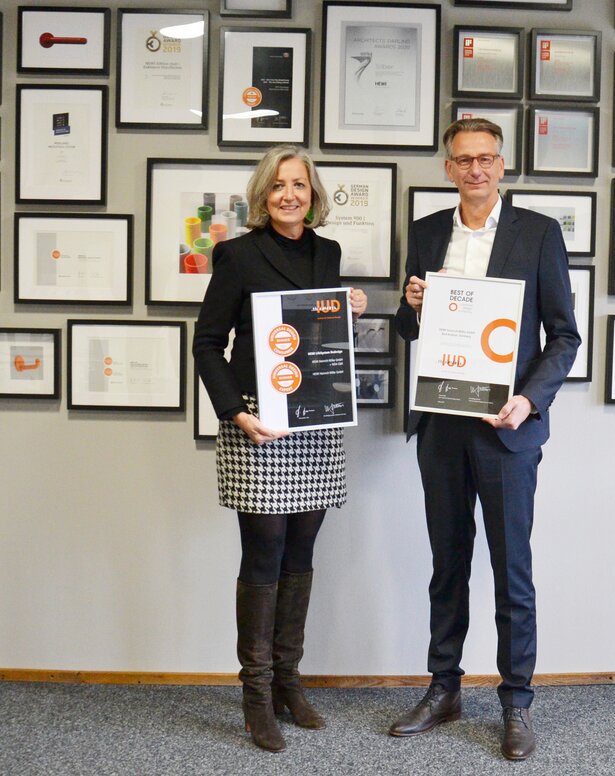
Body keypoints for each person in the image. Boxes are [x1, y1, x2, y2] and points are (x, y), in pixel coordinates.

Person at [390, 118, 580, 760]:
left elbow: (564, 336)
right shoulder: (425, 233)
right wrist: (414, 305)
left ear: (501, 165)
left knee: (510, 568)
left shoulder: (538, 233)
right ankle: (443, 689)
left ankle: (517, 702)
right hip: (441, 423)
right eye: (463, 159)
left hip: (507, 428)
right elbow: (408, 329)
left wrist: (529, 399)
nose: (475, 169)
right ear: (449, 168)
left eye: (486, 159)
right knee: (447, 564)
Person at [193, 145, 367, 753]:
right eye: (278, 185)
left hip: (315, 421)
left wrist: (349, 310)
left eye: (299, 184)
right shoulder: (238, 255)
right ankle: (256, 695)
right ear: (262, 195)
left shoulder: (328, 252)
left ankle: (289, 681)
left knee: (301, 550)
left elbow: (314, 334)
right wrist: (235, 413)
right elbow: (208, 342)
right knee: (263, 551)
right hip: (257, 421)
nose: (289, 195)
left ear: (313, 194)